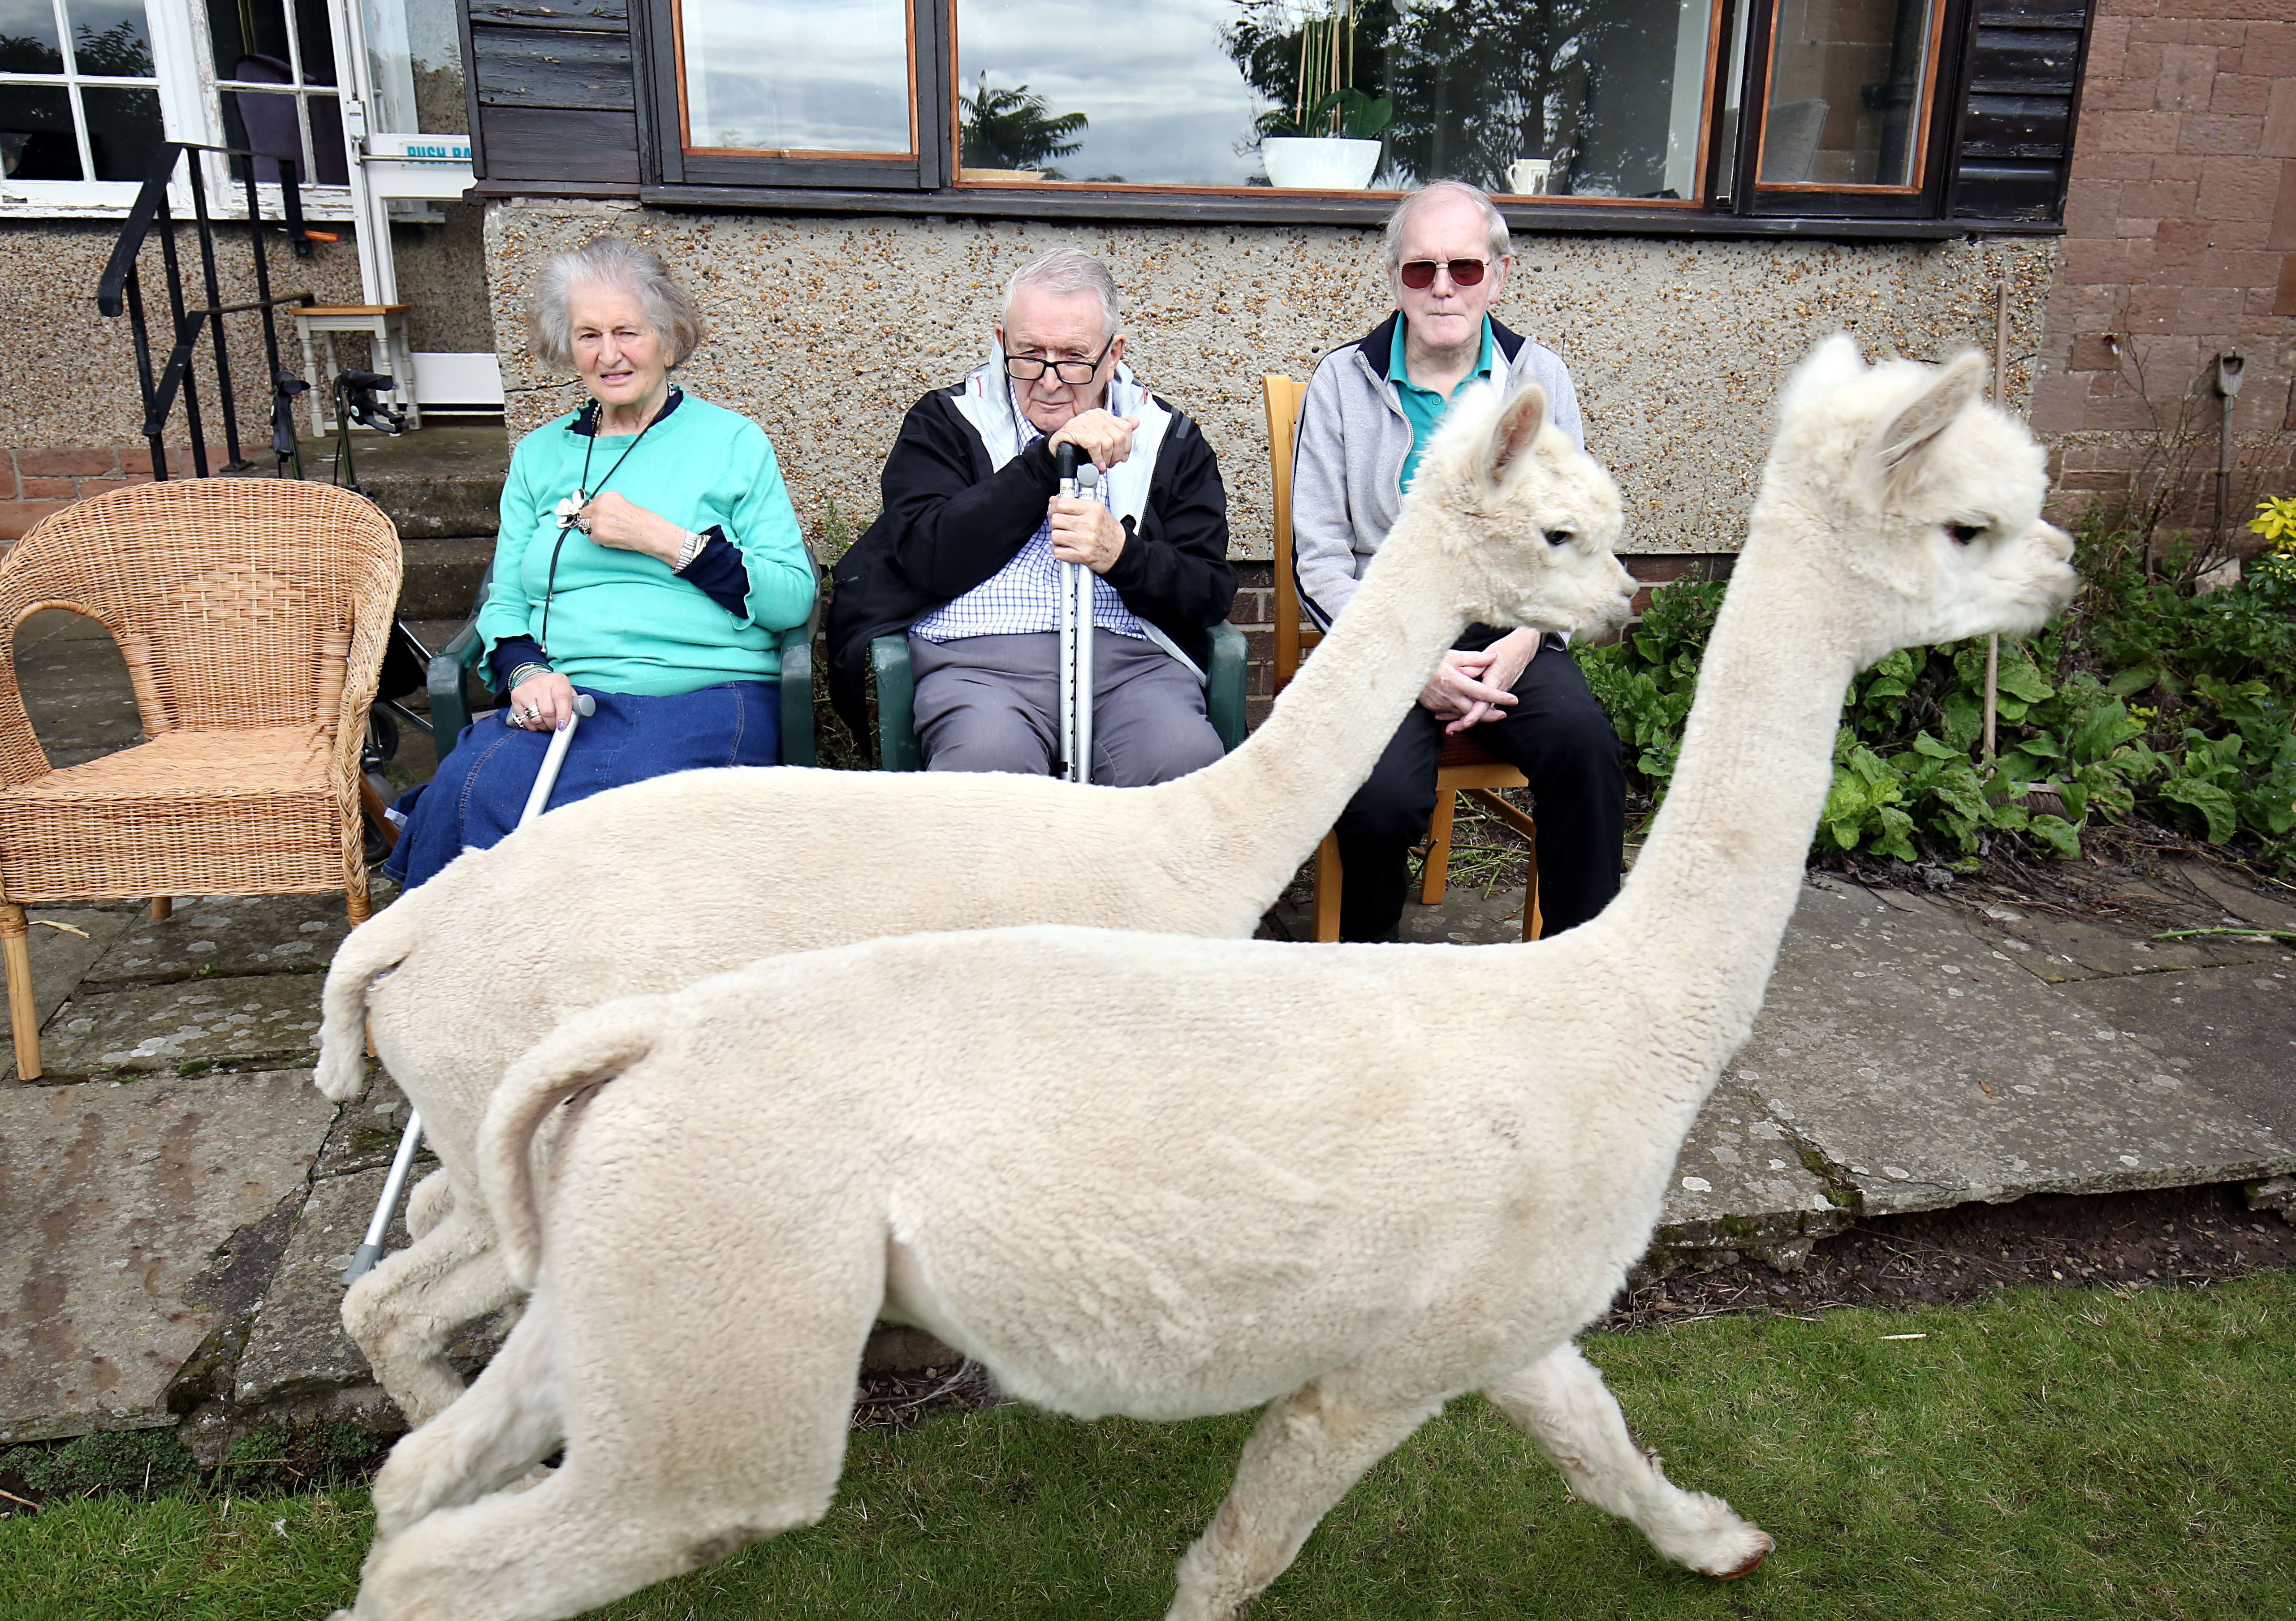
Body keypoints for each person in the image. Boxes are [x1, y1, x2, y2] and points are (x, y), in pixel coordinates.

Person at [384, 236, 815, 888]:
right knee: (472, 792)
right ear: (567, 348)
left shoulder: (732, 442)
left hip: (702, 692)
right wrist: (526, 670)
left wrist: (663, 538)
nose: (609, 354)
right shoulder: (539, 456)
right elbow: (504, 599)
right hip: (567, 697)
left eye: (627, 332)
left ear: (669, 340)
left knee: (621, 826)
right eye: (589, 335)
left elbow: (790, 599)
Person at [1290, 181, 1627, 942]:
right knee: (1377, 798)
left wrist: (1522, 644)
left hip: (1508, 633)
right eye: (1420, 270)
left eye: (1464, 269)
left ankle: (1584, 973)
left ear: (1498, 275)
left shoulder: (1538, 379)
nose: (1442, 287)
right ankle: (1363, 983)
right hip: (1387, 633)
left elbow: (1565, 540)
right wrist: (1416, 662)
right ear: (1394, 279)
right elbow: (1316, 559)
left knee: (1585, 750)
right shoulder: (1341, 383)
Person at [828, 247, 1234, 785]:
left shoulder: (1169, 440)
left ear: (1113, 354)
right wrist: (1043, 466)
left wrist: (1123, 556)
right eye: (1028, 354)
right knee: (986, 769)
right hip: (977, 666)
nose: (1048, 380)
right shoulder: (946, 422)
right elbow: (925, 557)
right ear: (1001, 344)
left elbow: (1208, 590)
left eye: (1072, 357)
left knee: (1180, 762)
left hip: (1132, 665)